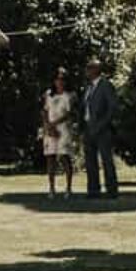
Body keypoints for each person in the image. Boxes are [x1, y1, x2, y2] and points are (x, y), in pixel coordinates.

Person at [81, 59, 119, 198]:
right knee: (90, 162)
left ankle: (111, 190)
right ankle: (93, 190)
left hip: (102, 129)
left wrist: (101, 125)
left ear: (96, 70)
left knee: (106, 160)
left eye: (89, 68)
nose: (87, 70)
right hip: (88, 128)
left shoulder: (105, 85)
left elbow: (112, 108)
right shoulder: (88, 87)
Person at [42, 67, 76, 197]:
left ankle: (68, 188)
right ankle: (51, 188)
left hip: (63, 129)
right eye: (57, 79)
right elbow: (44, 111)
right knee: (50, 158)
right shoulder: (49, 95)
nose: (60, 82)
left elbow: (69, 113)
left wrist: (55, 124)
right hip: (50, 130)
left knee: (64, 157)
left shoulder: (69, 96)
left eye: (62, 79)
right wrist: (48, 126)